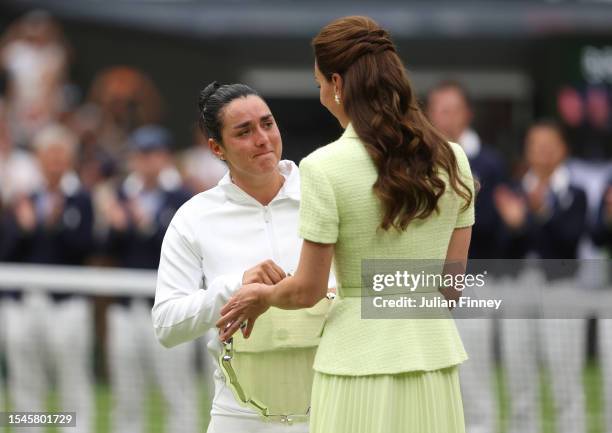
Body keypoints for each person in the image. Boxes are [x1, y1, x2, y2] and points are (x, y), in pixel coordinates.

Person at [217, 16, 475, 433]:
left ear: (337, 84)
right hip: (433, 362)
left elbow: (307, 290)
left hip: (354, 366)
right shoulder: (454, 158)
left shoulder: (323, 168)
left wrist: (262, 296)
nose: (320, 92)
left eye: (319, 81)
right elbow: (449, 288)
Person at [152, 82, 333, 433]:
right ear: (216, 148)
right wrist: (236, 289)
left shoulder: (326, 194)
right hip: (239, 415)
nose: (263, 138)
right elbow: (166, 325)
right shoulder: (194, 216)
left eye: (267, 123)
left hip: (332, 406)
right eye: (244, 131)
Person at [102, 125, 199, 433]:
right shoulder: (119, 195)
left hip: (171, 307)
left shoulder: (183, 197)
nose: (147, 162)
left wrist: (144, 224)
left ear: (166, 157)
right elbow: (106, 251)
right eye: (141, 155)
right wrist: (114, 225)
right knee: (127, 394)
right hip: (127, 307)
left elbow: (186, 249)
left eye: (154, 154)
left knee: (177, 391)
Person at [0, 123, 94, 433]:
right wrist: (26, 226)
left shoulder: (80, 199)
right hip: (24, 301)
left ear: (69, 160)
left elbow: (83, 248)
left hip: (66, 303)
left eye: (60, 155)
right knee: (25, 378)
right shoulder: (22, 199)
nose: (54, 161)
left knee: (71, 376)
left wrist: (55, 225)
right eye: (48, 154)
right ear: (38, 159)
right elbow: (8, 250)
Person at [494, 120, 587, 433]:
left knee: (565, 379)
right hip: (517, 287)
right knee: (519, 376)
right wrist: (514, 226)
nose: (543, 151)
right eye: (536, 144)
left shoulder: (576, 194)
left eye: (551, 144)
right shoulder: (511, 190)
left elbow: (566, 243)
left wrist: (538, 214)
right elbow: (503, 250)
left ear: (564, 150)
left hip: (560, 289)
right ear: (526, 150)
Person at [427, 80, 504, 433]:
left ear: (467, 113)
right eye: (439, 110)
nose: (445, 118)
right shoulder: (418, 159)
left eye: (452, 109)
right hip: (423, 284)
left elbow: (492, 225)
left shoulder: (490, 162)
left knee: (474, 379)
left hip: (473, 281)